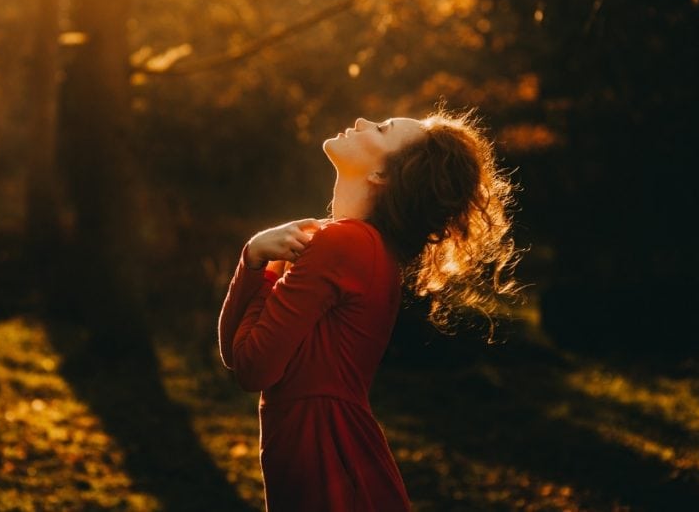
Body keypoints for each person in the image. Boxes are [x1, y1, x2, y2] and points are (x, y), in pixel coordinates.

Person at [218, 110, 517, 512]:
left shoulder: (345, 244)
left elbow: (253, 367)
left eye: (381, 129)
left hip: (326, 455)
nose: (360, 121)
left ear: (381, 175)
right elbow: (238, 359)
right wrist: (253, 259)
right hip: (325, 452)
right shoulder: (356, 244)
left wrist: (260, 263)